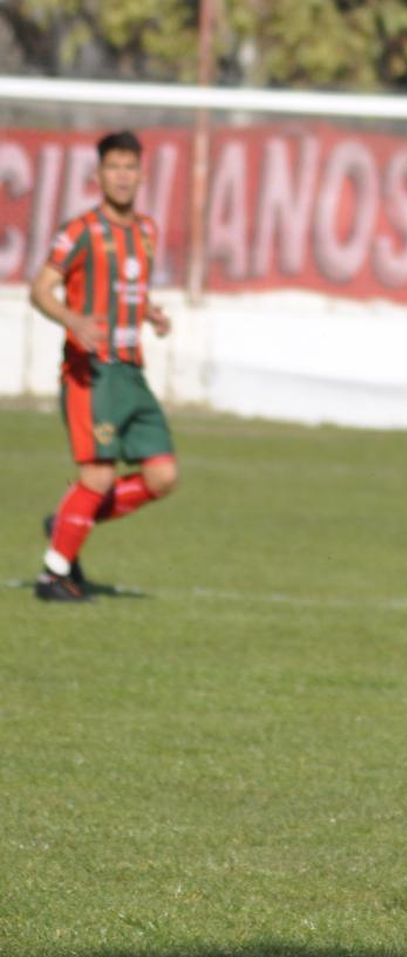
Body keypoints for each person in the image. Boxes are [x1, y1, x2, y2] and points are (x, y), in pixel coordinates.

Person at [29, 130, 177, 603]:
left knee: (162, 476)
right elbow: (40, 289)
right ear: (98, 175)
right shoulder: (81, 231)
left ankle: (70, 522)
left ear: (140, 173)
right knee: (97, 477)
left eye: (129, 167)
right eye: (113, 167)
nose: (122, 176)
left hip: (132, 372)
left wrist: (148, 311)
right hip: (91, 372)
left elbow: (125, 289)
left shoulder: (147, 231)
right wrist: (73, 319)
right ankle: (53, 575)